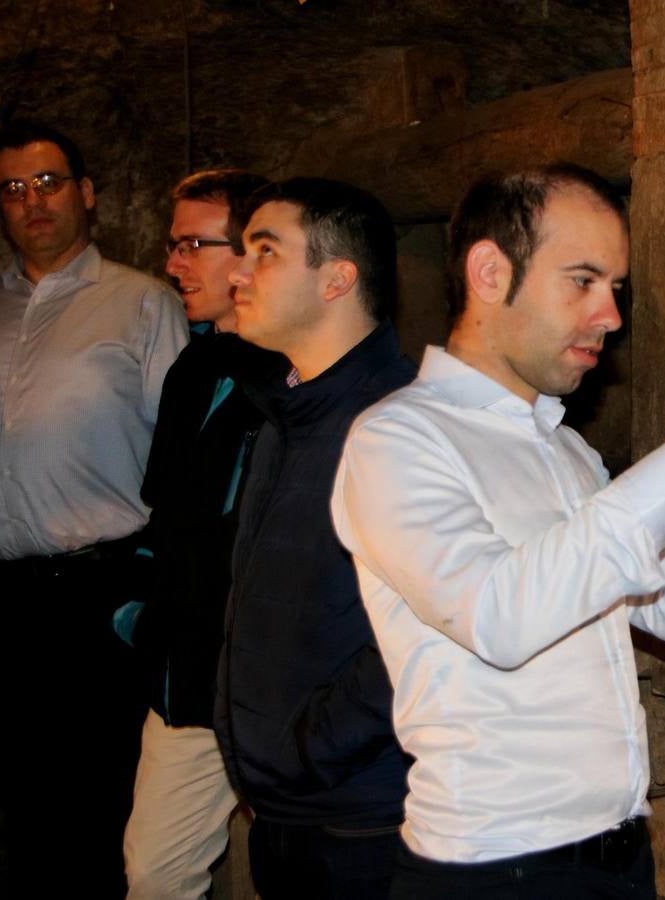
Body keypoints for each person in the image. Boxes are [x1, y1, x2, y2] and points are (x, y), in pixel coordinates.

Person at [330, 164, 665, 898]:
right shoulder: (396, 440)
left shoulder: (565, 449)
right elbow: (499, 617)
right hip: (492, 871)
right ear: (488, 271)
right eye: (583, 281)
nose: (611, 316)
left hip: (615, 856)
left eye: (618, 291)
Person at [0, 120, 189, 896]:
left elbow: (181, 467)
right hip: (3, 597)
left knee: (109, 806)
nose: (32, 202)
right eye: (12, 189)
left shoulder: (142, 304)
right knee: (23, 807)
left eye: (47, 183)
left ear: (86, 193)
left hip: (99, 591)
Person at [213, 177, 416, 900]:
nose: (236, 272)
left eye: (264, 252)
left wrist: (313, 748)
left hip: (362, 822)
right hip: (287, 811)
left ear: (337, 278)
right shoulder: (285, 417)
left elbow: (426, 626)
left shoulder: (401, 428)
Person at [120, 168, 277, 900]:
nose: (173, 263)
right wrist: (140, 616)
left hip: (274, 683)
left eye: (192, 245)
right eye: (173, 244)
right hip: (186, 679)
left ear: (253, 252)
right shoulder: (193, 365)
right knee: (154, 874)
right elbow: (170, 513)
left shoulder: (302, 372)